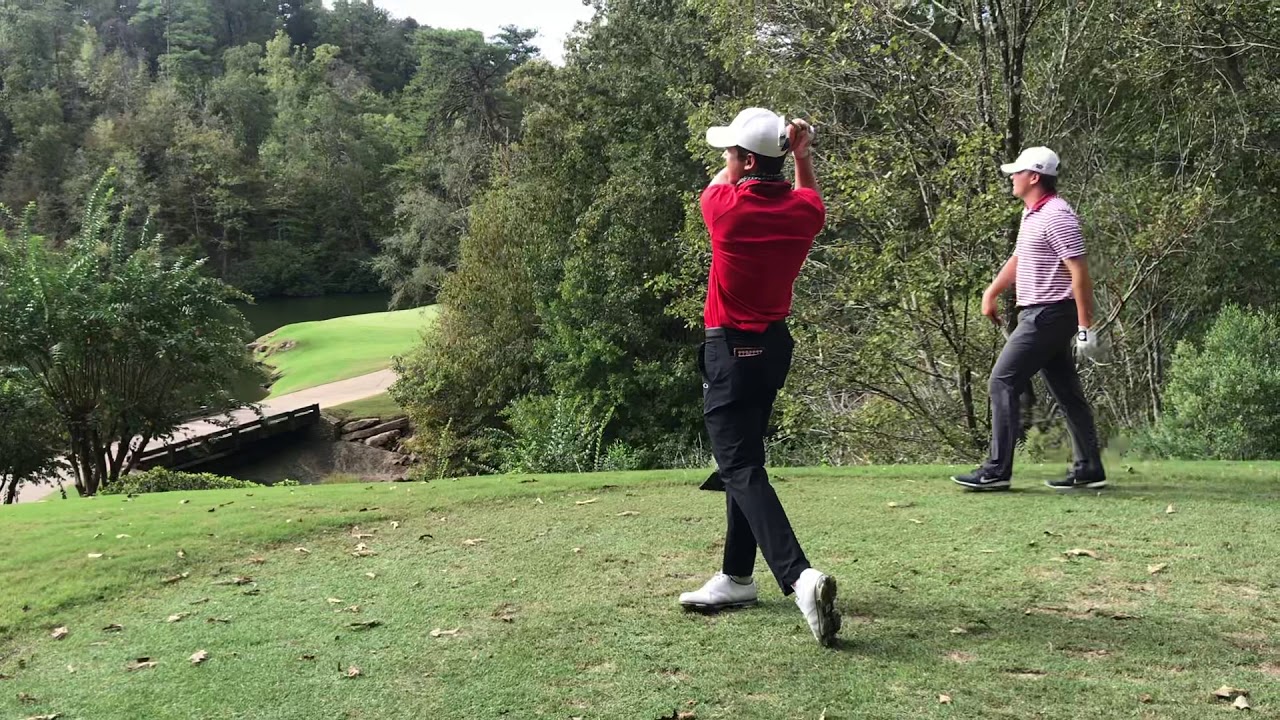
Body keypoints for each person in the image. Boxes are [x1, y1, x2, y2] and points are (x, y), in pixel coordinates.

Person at [677, 107, 840, 647]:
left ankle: (798, 577)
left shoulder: (724, 209)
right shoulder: (803, 212)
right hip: (772, 350)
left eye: (730, 151)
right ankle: (737, 577)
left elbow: (720, 183)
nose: (724, 159)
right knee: (744, 460)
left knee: (739, 465)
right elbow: (808, 194)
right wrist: (801, 154)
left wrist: (762, 159)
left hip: (728, 350)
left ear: (746, 160)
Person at [951, 146, 1106, 492]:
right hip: (1041, 313)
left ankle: (996, 470)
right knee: (1067, 392)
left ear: (1034, 177)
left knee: (1002, 381)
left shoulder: (1057, 216)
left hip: (1048, 315)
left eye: (1016, 173)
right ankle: (1089, 468)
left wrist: (1085, 327)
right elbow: (1021, 257)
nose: (1012, 178)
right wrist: (991, 291)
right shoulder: (1032, 214)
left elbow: (1080, 273)